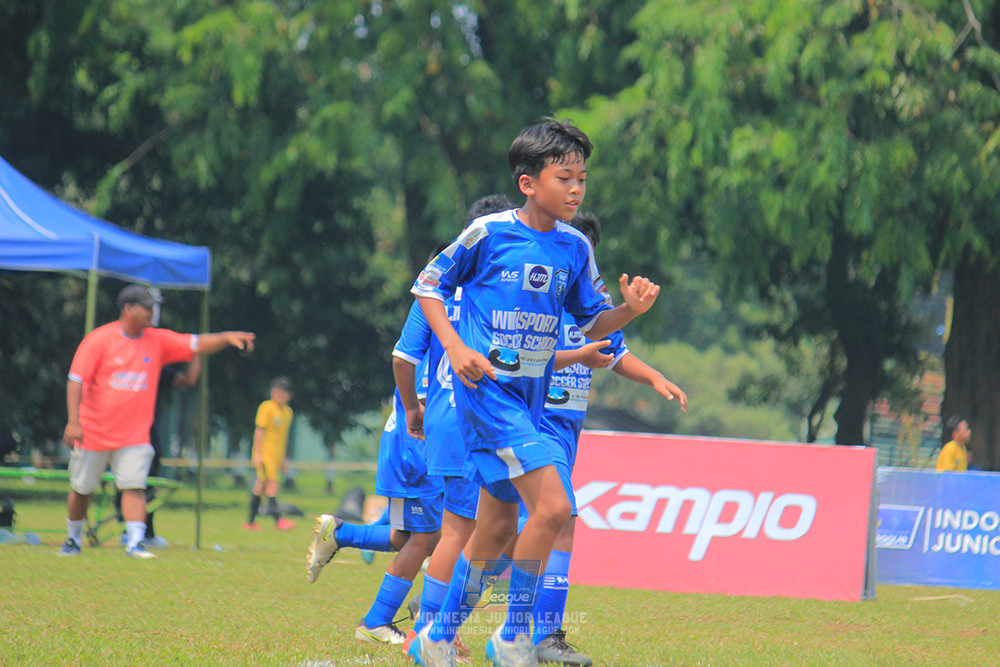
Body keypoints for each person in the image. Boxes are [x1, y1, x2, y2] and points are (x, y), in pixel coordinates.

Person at [408, 118, 661, 666]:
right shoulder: (489, 233)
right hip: (488, 396)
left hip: (530, 400)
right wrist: (454, 346)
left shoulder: (575, 248)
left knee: (497, 526)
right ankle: (514, 635)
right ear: (528, 183)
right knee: (555, 507)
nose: (576, 189)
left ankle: (434, 637)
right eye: (565, 177)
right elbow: (429, 285)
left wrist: (630, 312)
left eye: (583, 180)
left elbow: (594, 324)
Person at [512, 212, 687, 666]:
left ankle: (445, 607)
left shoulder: (592, 303)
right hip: (538, 421)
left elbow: (614, 353)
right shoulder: (533, 296)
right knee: (561, 519)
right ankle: (543, 637)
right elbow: (522, 353)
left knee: (510, 531)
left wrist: (654, 378)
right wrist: (580, 355)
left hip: (568, 432)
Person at [59, 284, 255, 558]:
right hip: (93, 432)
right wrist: (73, 421)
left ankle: (135, 542)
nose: (153, 312)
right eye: (148, 307)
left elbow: (195, 343)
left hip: (134, 436)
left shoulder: (158, 340)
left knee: (135, 487)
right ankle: (72, 539)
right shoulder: (99, 340)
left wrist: (226, 337)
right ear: (129, 309)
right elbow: (76, 380)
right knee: (82, 489)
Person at [305, 309, 445, 645]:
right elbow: (424, 397)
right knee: (428, 539)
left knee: (413, 538)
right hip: (421, 448)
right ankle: (382, 620)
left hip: (416, 446)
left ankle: (341, 533)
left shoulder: (444, 322)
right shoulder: (444, 326)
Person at [114, 356, 201, 548]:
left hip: (147, 434)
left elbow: (188, 380)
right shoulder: (121, 364)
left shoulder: (155, 366)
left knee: (148, 484)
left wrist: (197, 352)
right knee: (125, 483)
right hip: (120, 430)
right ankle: (126, 531)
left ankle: (146, 532)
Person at [245, 376, 297, 531]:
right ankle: (278, 520)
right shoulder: (266, 408)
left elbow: (283, 437)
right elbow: (259, 431)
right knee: (272, 485)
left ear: (288, 395)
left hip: (275, 456)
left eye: (281, 394)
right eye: (275, 394)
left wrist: (282, 459)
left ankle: (250, 522)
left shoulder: (288, 412)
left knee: (259, 487)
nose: (277, 397)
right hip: (265, 454)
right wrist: (257, 454)